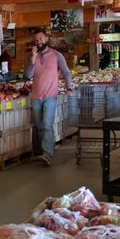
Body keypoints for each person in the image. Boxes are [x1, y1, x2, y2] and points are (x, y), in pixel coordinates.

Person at [24, 29, 73, 166]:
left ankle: (47, 154)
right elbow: (28, 76)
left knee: (47, 124)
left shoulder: (57, 55)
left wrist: (69, 87)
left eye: (40, 38)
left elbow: (66, 72)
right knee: (39, 126)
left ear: (46, 39)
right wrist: (32, 60)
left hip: (51, 95)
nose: (38, 41)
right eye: (36, 40)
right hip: (36, 96)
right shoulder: (33, 57)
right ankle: (43, 152)